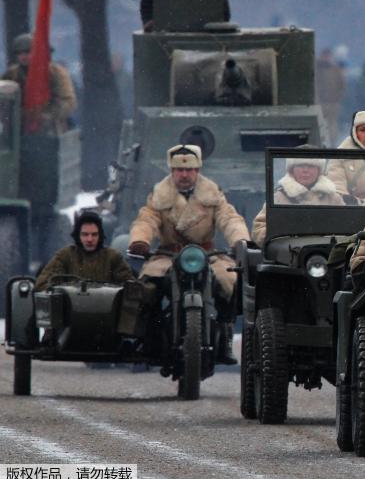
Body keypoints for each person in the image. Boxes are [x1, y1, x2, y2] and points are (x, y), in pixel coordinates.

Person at [126, 144, 249, 363]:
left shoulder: (212, 194)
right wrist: (140, 241)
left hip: (207, 255)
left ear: (198, 170)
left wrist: (240, 241)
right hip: (167, 255)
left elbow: (229, 218)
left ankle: (226, 333)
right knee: (146, 288)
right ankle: (150, 337)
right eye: (179, 170)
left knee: (230, 280)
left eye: (189, 170)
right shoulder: (159, 195)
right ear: (172, 171)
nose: (184, 174)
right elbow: (147, 219)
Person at [251, 150, 344, 244]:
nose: (305, 170)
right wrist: (280, 240)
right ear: (292, 170)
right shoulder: (278, 198)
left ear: (319, 170)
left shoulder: (333, 198)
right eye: (300, 165)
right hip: (289, 253)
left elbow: (346, 227)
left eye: (311, 166)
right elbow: (259, 229)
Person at [35, 211, 133, 291]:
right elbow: (41, 286)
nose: (89, 239)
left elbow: (132, 290)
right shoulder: (65, 256)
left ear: (100, 236)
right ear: (78, 235)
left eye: (94, 234)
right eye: (85, 234)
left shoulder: (113, 258)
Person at [2, 33, 76, 135]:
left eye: (28, 51)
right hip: (19, 131)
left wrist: (46, 116)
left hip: (51, 131)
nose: (23, 56)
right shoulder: (12, 74)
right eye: (19, 52)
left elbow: (67, 101)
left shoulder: (55, 72)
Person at [315, 48, 347, 145]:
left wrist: (337, 99)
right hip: (319, 103)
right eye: (325, 56)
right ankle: (320, 144)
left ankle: (332, 144)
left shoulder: (335, 70)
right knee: (319, 125)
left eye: (328, 56)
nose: (326, 58)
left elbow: (342, 86)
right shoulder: (316, 69)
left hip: (332, 103)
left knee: (332, 125)